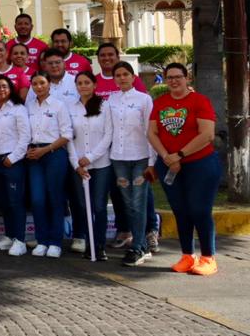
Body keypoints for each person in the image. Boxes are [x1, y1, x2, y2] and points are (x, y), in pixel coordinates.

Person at [148, 63, 218, 275]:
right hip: (169, 164)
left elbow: (207, 134)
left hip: (200, 163)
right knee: (181, 210)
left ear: (187, 78)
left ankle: (208, 258)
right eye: (169, 77)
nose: (174, 81)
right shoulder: (160, 103)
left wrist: (179, 155)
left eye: (178, 76)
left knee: (199, 210)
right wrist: (166, 157)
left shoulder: (199, 101)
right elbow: (152, 133)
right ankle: (187, 255)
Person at [107, 62, 156, 267]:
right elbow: (109, 130)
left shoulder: (144, 99)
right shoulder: (111, 99)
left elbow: (150, 131)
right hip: (118, 158)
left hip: (140, 157)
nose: (122, 78)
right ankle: (141, 245)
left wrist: (152, 161)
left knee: (138, 203)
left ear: (133, 76)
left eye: (125, 74)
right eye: (118, 75)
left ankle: (138, 246)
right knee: (127, 204)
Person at [25, 72, 73, 257]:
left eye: (42, 83)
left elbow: (67, 134)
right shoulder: (28, 106)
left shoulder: (59, 105)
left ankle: (55, 242)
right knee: (37, 200)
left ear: (49, 85)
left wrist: (45, 150)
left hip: (54, 153)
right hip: (34, 155)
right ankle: (42, 240)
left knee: (55, 198)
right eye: (35, 84)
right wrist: (29, 150)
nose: (39, 87)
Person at [68, 71, 112, 262]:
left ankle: (99, 245)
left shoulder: (105, 106)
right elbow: (68, 137)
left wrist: (91, 157)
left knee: (99, 206)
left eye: (87, 82)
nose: (83, 86)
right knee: (82, 205)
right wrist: (76, 163)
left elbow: (108, 135)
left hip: (101, 164)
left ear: (95, 85)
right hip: (78, 166)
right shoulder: (70, 108)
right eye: (80, 83)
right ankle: (89, 243)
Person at [0, 76, 31, 256]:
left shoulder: (18, 109)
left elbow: (25, 136)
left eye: (5, 86)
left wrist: (13, 157)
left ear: (11, 89)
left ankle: (20, 240)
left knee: (15, 202)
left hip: (12, 161)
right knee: (3, 202)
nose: (1, 90)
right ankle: (9, 236)